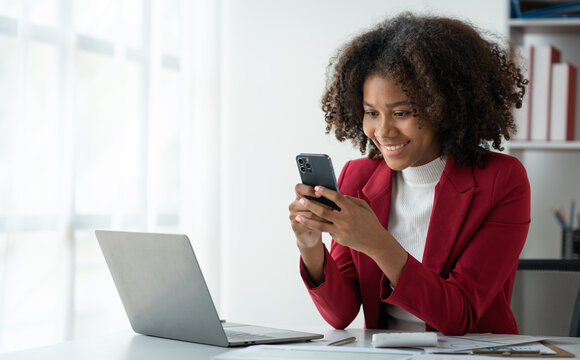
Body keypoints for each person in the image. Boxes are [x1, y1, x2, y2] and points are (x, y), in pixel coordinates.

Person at [288, 13, 531, 335]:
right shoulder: (358, 177)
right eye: (371, 113)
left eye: (401, 113)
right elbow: (341, 314)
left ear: (442, 108)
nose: (383, 131)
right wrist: (310, 245)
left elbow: (458, 317)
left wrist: (377, 243)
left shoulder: (501, 179)